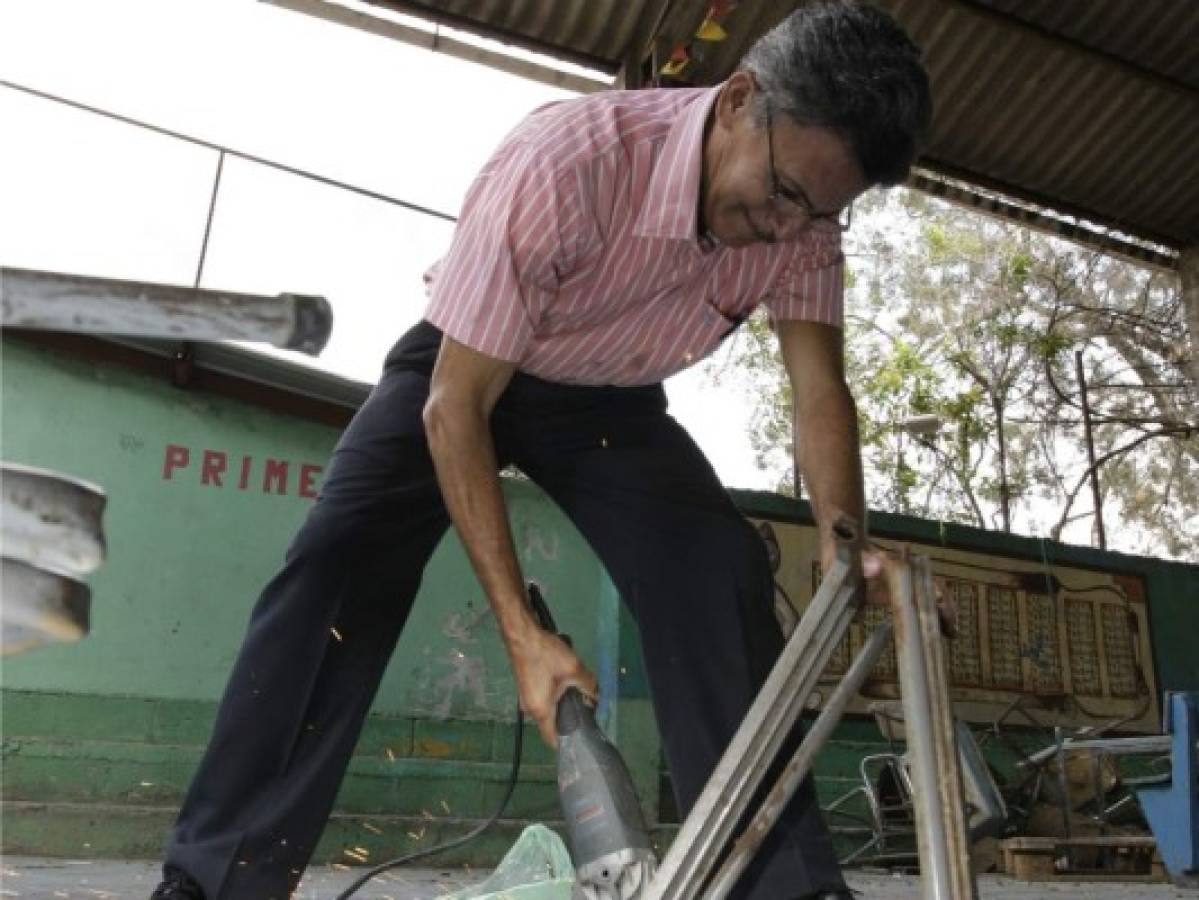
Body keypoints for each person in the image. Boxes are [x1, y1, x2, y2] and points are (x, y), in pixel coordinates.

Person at [151, 2, 931, 898]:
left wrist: (840, 536)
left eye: (820, 212)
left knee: (718, 568)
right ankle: (217, 879)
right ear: (738, 100)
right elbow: (455, 407)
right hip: (469, 368)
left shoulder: (807, 227)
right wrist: (522, 635)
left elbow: (818, 391)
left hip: (607, 404)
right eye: (787, 192)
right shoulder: (570, 162)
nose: (791, 227)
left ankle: (781, 886)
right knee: (335, 567)